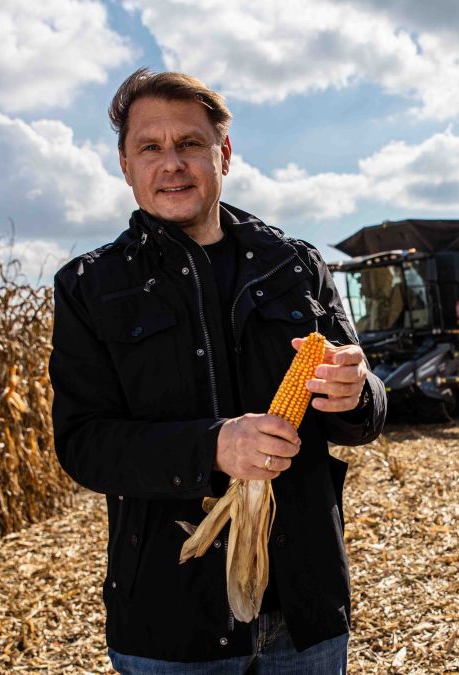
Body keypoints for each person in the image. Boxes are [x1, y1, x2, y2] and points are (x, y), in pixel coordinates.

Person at [48, 67, 386, 673]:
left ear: (222, 154)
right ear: (125, 165)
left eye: (190, 144)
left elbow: (366, 412)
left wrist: (358, 395)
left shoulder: (295, 265)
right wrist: (213, 447)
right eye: (150, 147)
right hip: (172, 621)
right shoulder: (89, 288)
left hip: (306, 611)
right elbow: (84, 445)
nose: (171, 162)